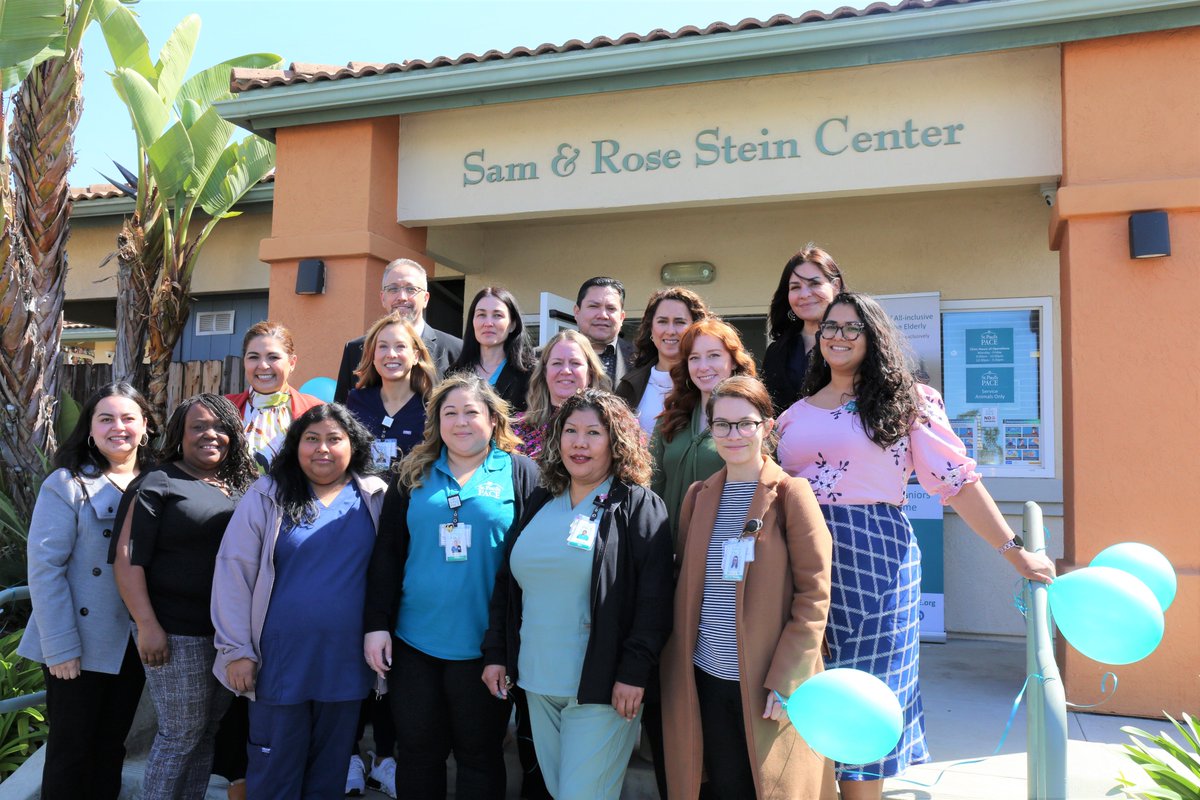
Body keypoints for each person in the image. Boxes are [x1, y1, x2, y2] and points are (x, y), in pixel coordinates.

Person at [777, 293, 1055, 799]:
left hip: (875, 554)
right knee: (808, 684)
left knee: (869, 690)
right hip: (799, 555)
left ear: (874, 336)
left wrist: (1015, 552)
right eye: (830, 327)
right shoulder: (792, 415)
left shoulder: (908, 401)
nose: (838, 335)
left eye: (852, 327)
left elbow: (958, 483)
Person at [482, 390, 674, 800]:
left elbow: (654, 601)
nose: (579, 443)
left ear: (617, 441)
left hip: (602, 688)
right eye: (570, 431)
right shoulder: (540, 500)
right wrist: (497, 652)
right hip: (536, 680)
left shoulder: (639, 506)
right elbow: (507, 585)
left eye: (593, 432)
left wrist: (633, 672)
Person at [364, 374, 539, 799]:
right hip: (414, 645)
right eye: (450, 413)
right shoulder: (411, 473)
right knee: (419, 756)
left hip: (486, 650)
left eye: (471, 412)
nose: (461, 422)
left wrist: (508, 647)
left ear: (493, 419)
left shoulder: (521, 473)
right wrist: (376, 624)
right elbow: (386, 556)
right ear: (436, 421)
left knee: (479, 757)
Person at [661, 376, 836, 799]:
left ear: (767, 427)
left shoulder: (792, 494)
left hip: (766, 683)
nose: (733, 434)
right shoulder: (698, 496)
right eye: (722, 425)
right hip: (705, 675)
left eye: (745, 424)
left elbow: (814, 595)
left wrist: (787, 677)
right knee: (722, 785)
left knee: (771, 786)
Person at [211, 404, 388, 800]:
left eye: (333, 439)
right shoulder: (267, 495)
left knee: (329, 772)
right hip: (279, 662)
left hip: (345, 662)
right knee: (276, 770)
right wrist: (236, 650)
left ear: (353, 445)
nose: (322, 449)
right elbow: (233, 574)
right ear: (295, 446)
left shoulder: (375, 497)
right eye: (311, 439)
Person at [112, 394, 258, 800]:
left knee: (205, 733)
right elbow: (127, 560)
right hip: (175, 633)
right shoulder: (158, 481)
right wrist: (147, 625)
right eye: (198, 426)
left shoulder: (240, 485)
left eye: (220, 427)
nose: (210, 435)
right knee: (180, 735)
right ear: (180, 434)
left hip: (227, 635)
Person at [19, 382, 157, 800]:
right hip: (77, 643)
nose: (119, 427)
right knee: (70, 753)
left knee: (111, 749)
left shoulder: (159, 482)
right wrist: (60, 647)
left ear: (145, 426)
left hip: (133, 642)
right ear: (91, 430)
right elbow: (45, 570)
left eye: (129, 418)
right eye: (106, 419)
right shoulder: (67, 483)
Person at [650, 318, 757, 537]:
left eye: (714, 355)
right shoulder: (670, 420)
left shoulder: (752, 421)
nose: (703, 366)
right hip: (666, 544)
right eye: (694, 358)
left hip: (724, 544)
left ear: (734, 361)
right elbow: (652, 486)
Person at [335, 258, 463, 403]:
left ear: (426, 298)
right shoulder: (356, 350)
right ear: (383, 298)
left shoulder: (455, 351)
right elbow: (341, 416)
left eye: (411, 289)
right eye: (393, 289)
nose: (402, 297)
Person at [226, 321, 324, 471]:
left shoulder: (316, 410)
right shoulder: (223, 409)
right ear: (244, 362)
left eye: (273, 357)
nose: (263, 365)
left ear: (292, 363)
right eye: (253, 357)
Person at [762, 244, 847, 415]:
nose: (804, 294)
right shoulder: (776, 350)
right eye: (795, 287)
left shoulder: (855, 343)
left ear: (835, 286)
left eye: (814, 283)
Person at [346, 312, 436, 471]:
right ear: (372, 356)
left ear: (415, 356)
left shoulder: (432, 407)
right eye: (383, 346)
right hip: (365, 494)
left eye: (400, 346)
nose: (391, 354)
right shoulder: (356, 401)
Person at [615, 287, 711, 434]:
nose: (671, 330)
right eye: (662, 321)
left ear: (695, 328)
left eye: (679, 322)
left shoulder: (707, 381)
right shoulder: (629, 385)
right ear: (651, 329)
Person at [512, 329, 609, 458]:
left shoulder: (614, 425)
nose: (566, 371)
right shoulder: (516, 431)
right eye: (557, 363)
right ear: (545, 372)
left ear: (590, 373)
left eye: (575, 363)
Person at [450, 285, 536, 412]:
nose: (488, 323)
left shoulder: (531, 374)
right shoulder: (454, 374)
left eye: (497, 315)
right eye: (481, 315)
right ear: (472, 322)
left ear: (512, 324)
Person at [573, 276, 633, 385]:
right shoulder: (542, 359)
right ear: (577, 312)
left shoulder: (643, 361)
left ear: (622, 317)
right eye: (594, 306)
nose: (602, 315)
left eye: (611, 308)